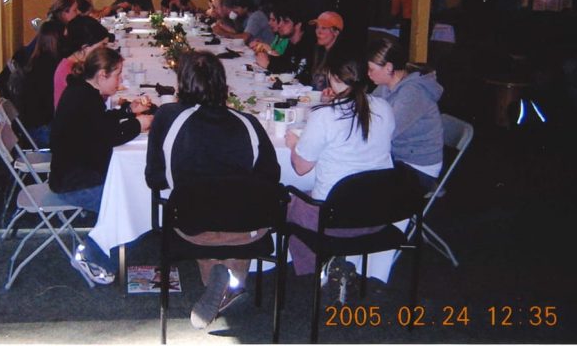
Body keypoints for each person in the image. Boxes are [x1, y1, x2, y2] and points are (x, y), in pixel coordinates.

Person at [145, 51, 280, 330]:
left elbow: (155, 179)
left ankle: (219, 278)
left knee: (204, 210)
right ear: (223, 84)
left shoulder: (168, 117)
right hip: (246, 228)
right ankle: (232, 281)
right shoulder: (249, 123)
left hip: (192, 225)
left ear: (182, 84)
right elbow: (271, 177)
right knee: (234, 212)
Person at [284, 56, 395, 280]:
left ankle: (318, 272)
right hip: (377, 212)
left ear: (333, 78)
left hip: (332, 218)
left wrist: (294, 144)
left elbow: (301, 168)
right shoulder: (384, 108)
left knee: (287, 201)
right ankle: (334, 267)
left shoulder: (324, 116)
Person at [51, 47, 153, 284]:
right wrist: (138, 125)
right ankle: (92, 255)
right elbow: (109, 136)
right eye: (117, 75)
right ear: (101, 76)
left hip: (77, 172)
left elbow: (99, 125)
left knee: (135, 194)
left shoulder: (83, 92)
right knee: (136, 206)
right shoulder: (84, 99)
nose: (120, 80)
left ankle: (100, 248)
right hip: (74, 183)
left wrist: (128, 111)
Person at [366, 37, 444, 189]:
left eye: (371, 69)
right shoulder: (386, 85)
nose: (368, 73)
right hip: (398, 157)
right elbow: (367, 107)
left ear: (388, 67)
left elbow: (387, 132)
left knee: (358, 179)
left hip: (418, 168)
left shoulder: (412, 93)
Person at [18, 20, 64, 148]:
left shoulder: (39, 59)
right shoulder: (49, 65)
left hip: (35, 125)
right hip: (42, 130)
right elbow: (52, 104)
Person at [53, 15, 110, 108]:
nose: (105, 50)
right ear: (85, 48)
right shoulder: (69, 72)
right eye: (103, 45)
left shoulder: (82, 63)